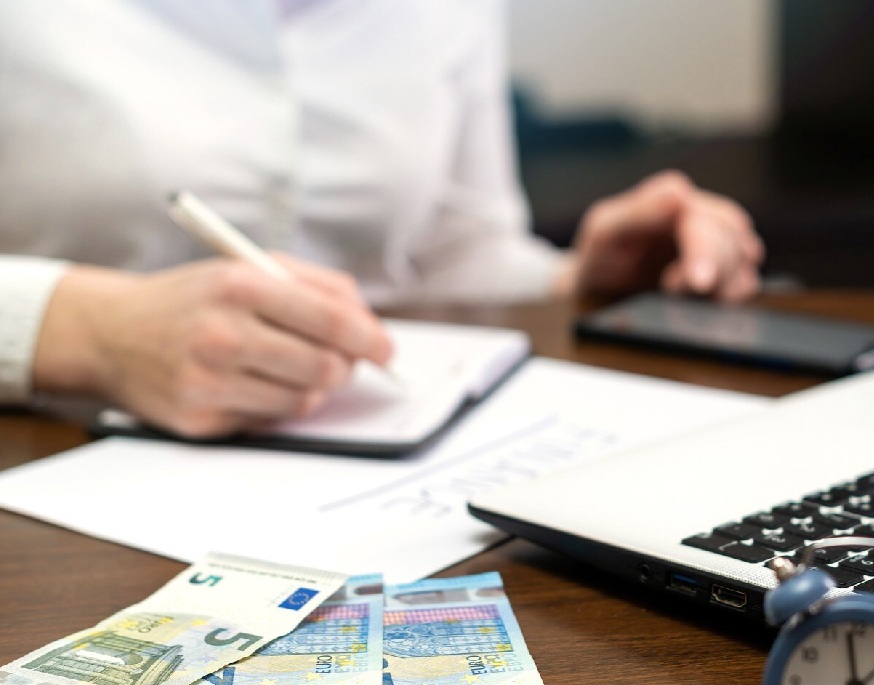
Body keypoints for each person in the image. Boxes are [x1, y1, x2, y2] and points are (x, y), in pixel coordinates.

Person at [0, 1, 763, 438]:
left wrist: (580, 279)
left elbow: (448, 251)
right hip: (53, 456)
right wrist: (91, 332)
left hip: (362, 456)